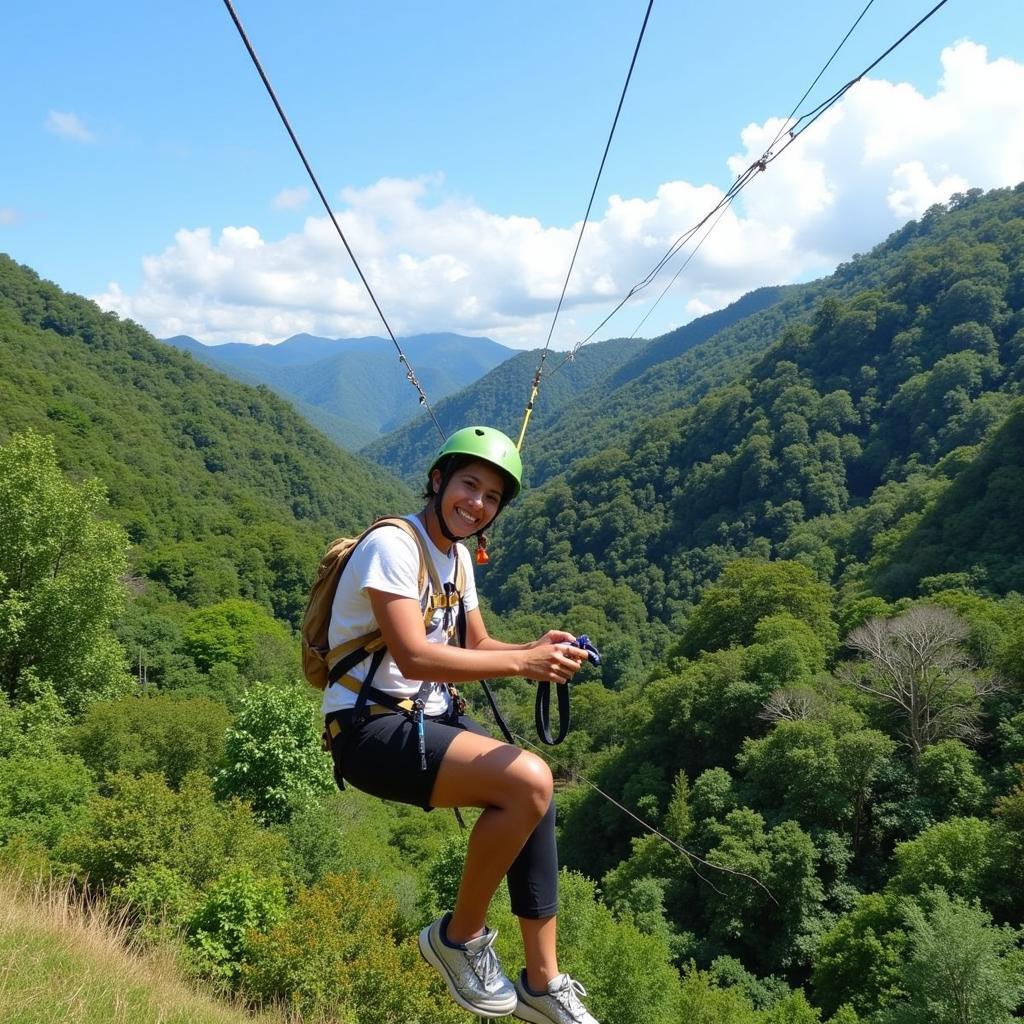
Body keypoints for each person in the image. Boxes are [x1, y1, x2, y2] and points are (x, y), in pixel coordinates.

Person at [322, 425, 599, 1024]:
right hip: (365, 729)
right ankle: (457, 938)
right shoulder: (394, 545)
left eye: (492, 497)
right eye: (468, 485)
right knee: (525, 782)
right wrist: (523, 662)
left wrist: (534, 651)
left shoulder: (456, 559)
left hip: (418, 720)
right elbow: (416, 656)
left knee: (537, 790)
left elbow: (477, 644)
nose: (477, 503)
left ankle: (542, 981)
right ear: (437, 480)